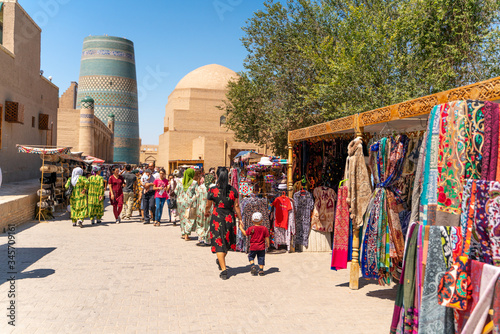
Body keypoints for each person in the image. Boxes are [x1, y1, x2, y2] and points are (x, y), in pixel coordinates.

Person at [205, 167, 242, 280]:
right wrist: (240, 219)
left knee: (219, 243)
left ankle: (224, 270)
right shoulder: (233, 191)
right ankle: (223, 267)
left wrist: (206, 212)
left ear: (217, 176)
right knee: (226, 243)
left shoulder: (212, 190)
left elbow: (208, 205)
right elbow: (236, 206)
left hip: (217, 219)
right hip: (229, 219)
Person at [239, 212, 270, 276]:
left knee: (251, 256)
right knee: (261, 257)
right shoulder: (264, 228)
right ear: (261, 220)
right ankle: (261, 270)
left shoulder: (251, 228)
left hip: (253, 246)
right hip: (261, 247)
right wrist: (268, 244)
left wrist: (241, 228)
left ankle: (253, 266)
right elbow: (267, 237)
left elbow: (245, 234)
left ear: (252, 220)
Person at [175, 168, 198, 241]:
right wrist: (192, 199)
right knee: (189, 218)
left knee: (182, 218)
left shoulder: (179, 181)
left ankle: (183, 233)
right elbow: (197, 193)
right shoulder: (194, 182)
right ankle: (187, 234)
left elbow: (176, 191)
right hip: (189, 202)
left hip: (180, 202)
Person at [195, 171, 212, 246]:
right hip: (209, 209)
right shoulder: (212, 188)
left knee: (200, 224)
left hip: (200, 208)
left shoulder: (200, 187)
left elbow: (196, 197)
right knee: (208, 224)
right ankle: (208, 240)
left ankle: (201, 238)